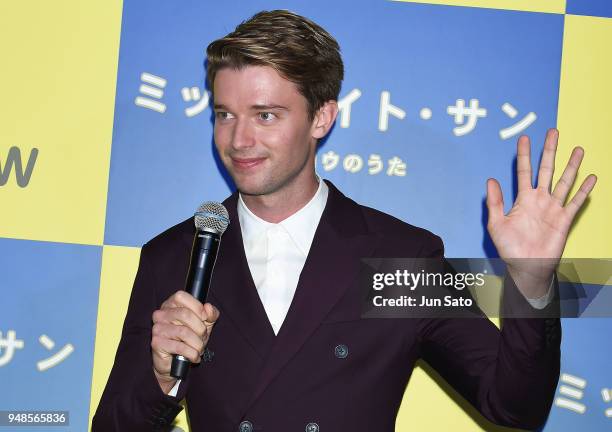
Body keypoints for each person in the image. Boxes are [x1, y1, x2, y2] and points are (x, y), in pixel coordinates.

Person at [92, 9, 597, 432]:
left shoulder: (397, 257)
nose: (238, 139)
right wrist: (160, 377)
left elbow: (513, 406)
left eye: (265, 115)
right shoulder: (174, 255)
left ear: (322, 117)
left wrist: (531, 284)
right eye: (225, 114)